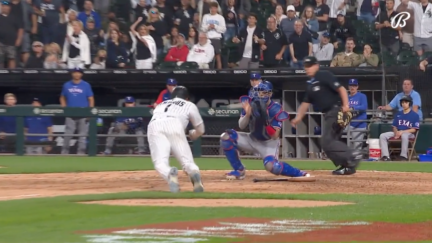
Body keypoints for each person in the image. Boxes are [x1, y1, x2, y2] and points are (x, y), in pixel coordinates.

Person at [221, 81, 310, 180]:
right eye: (259, 92)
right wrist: (247, 114)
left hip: (268, 143)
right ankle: (239, 170)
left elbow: (275, 135)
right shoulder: (250, 104)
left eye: (263, 92)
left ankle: (299, 173)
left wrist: (266, 122)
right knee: (226, 137)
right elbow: (241, 126)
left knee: (273, 167)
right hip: (252, 138)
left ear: (270, 94)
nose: (260, 95)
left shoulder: (276, 108)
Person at [290, 56, 362, 176]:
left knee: (326, 141)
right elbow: (304, 104)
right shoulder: (310, 85)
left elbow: (342, 89)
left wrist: (345, 105)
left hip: (335, 111)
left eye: (310, 66)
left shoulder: (324, 75)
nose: (307, 69)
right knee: (329, 142)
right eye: (306, 67)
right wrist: (298, 118)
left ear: (316, 65)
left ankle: (352, 154)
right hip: (328, 114)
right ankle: (347, 166)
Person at [147, 86, 205, 193]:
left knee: (160, 162)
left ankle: (169, 173)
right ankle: (193, 171)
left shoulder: (161, 104)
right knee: (187, 162)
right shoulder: (189, 104)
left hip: (154, 125)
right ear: (187, 97)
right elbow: (201, 129)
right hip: (174, 124)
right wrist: (193, 134)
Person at [60, 67, 94, 155]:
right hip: (70, 112)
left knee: (82, 135)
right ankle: (64, 152)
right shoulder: (67, 85)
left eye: (79, 73)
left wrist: (89, 111)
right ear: (72, 74)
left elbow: (90, 99)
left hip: (83, 112)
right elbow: (62, 97)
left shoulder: (86, 85)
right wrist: (64, 107)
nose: (77, 74)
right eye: (75, 72)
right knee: (68, 134)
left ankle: (81, 153)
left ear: (81, 74)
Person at [379, 95, 419, 161]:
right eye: (402, 103)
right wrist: (396, 132)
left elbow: (414, 129)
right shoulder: (398, 114)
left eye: (406, 102)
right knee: (382, 136)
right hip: (398, 132)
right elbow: (394, 126)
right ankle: (386, 156)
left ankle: (403, 156)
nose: (404, 104)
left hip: (409, 134)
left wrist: (402, 132)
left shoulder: (414, 115)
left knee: (404, 135)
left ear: (410, 103)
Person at [347, 79, 368, 150]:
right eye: (351, 86)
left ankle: (356, 158)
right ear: (348, 87)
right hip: (349, 124)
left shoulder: (362, 96)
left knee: (357, 147)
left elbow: (364, 107)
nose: (352, 88)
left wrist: (353, 108)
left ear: (357, 87)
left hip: (359, 124)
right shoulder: (346, 97)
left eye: (354, 86)